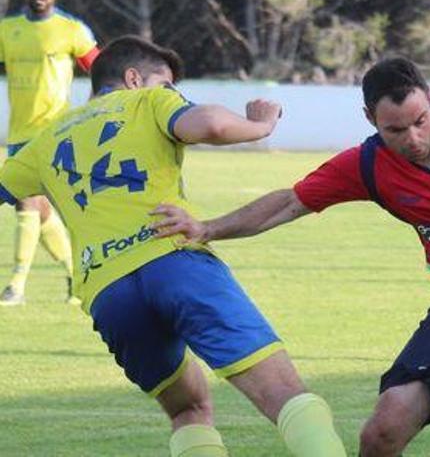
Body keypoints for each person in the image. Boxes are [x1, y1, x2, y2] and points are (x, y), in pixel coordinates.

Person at [152, 57, 430, 457]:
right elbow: (290, 202)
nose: (414, 137)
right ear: (370, 118)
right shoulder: (368, 164)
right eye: (396, 129)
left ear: (429, 101)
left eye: (420, 121)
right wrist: (208, 228)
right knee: (382, 431)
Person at [0, 35, 345, 457]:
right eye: (167, 85)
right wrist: (261, 125)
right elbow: (211, 125)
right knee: (285, 394)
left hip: (108, 294)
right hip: (173, 260)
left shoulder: (47, 139)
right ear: (132, 78)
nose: (174, 95)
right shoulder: (149, 102)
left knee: (189, 409)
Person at [0, 0, 100, 306]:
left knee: (28, 204)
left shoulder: (71, 30)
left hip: (57, 134)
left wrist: (89, 112)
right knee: (37, 209)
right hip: (18, 135)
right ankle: (75, 272)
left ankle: (16, 284)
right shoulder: (7, 30)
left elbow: (100, 70)